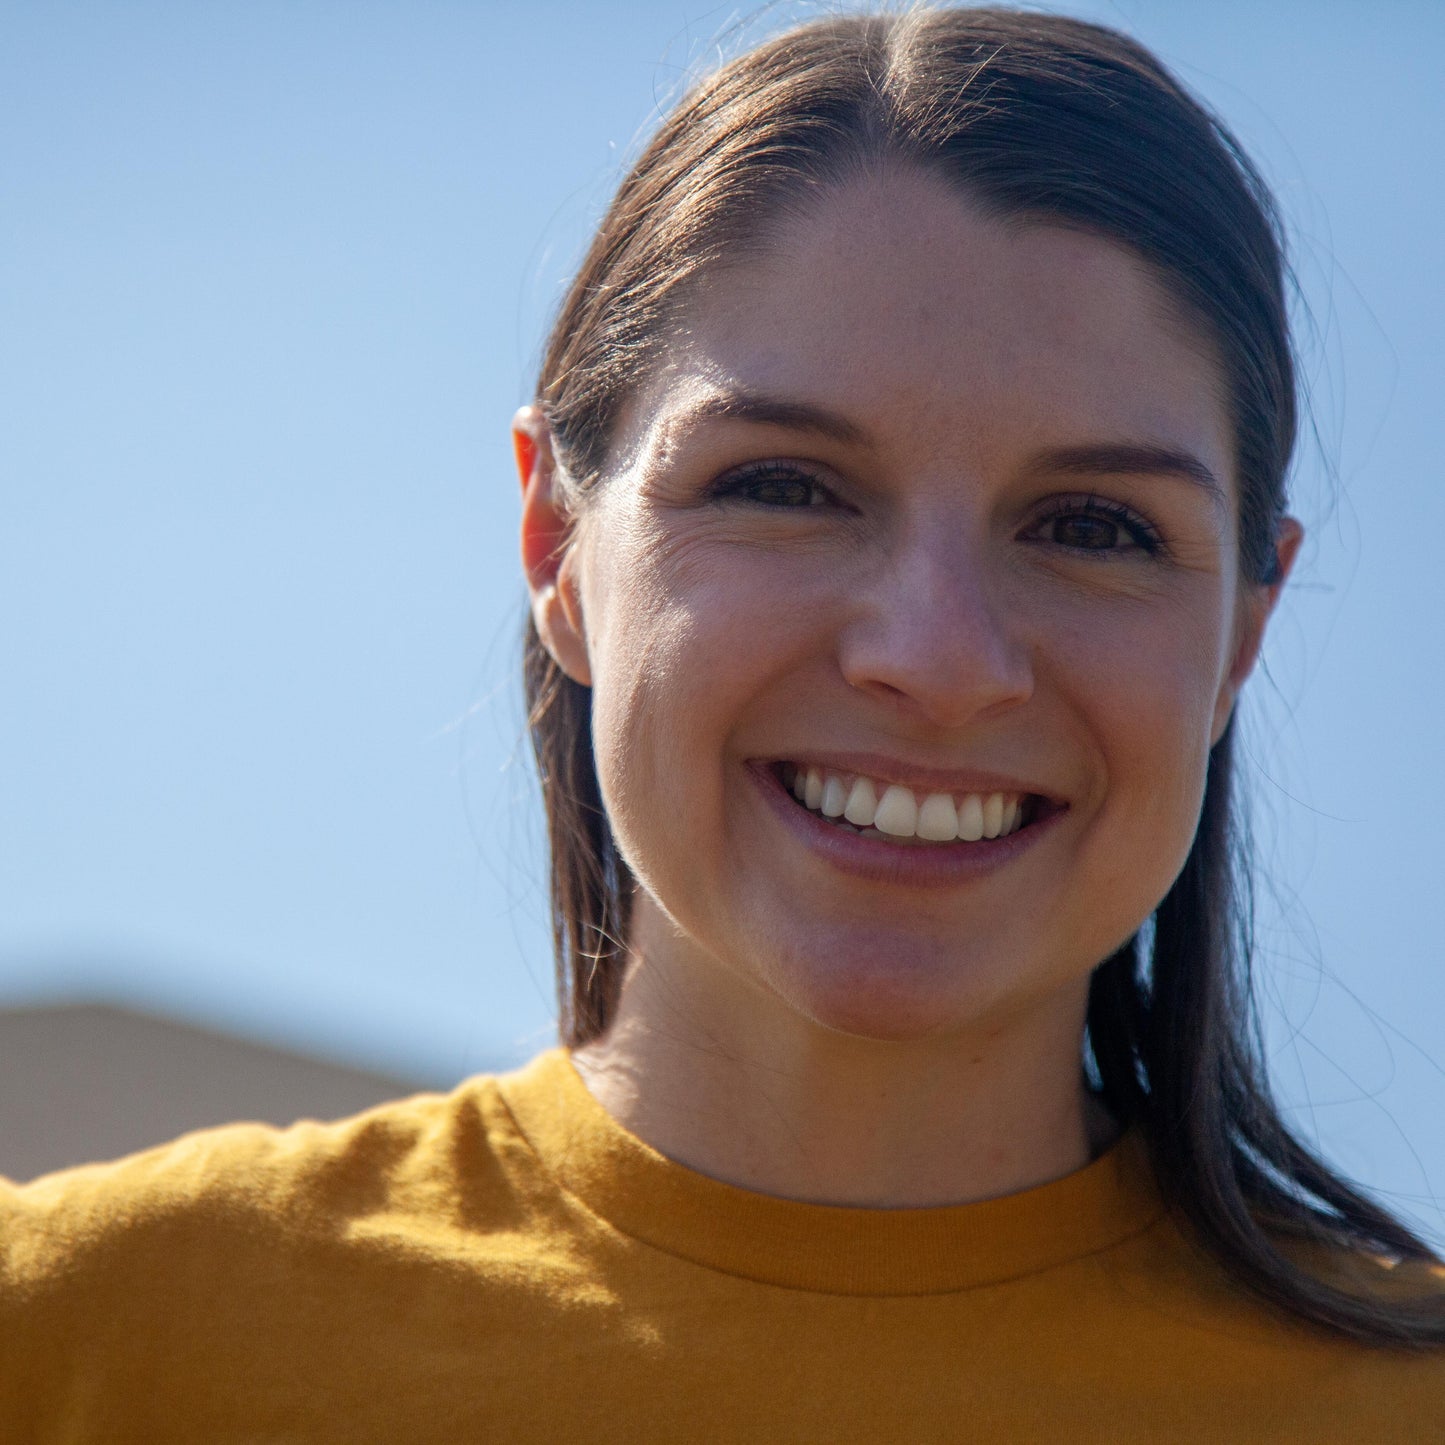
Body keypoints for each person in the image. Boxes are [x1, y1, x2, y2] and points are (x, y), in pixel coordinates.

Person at [2, 7, 1442, 1439]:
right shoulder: (74, 1341)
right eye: (785, 487)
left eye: (1090, 524)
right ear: (555, 543)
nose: (937, 658)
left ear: (1242, 630)